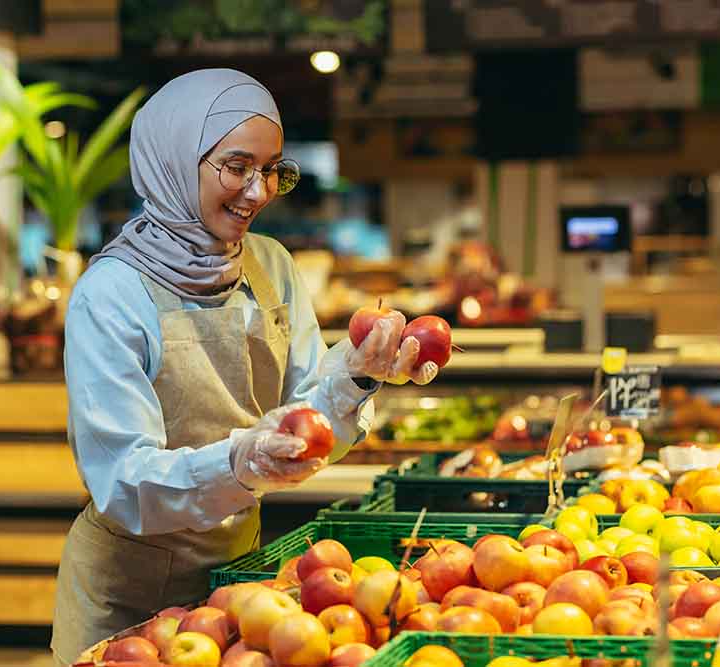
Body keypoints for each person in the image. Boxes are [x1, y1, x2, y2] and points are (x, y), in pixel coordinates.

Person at [50, 69, 439, 666]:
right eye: (237, 168)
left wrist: (356, 376)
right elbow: (124, 483)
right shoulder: (111, 294)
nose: (257, 193)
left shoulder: (270, 266)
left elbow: (305, 432)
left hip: (243, 581)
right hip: (126, 599)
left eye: (272, 171)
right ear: (175, 159)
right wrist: (239, 459)